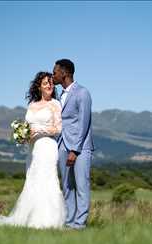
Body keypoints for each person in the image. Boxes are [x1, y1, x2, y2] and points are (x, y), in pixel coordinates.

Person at [0, 72, 66, 229]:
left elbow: (58, 128)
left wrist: (39, 130)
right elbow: (28, 127)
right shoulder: (32, 105)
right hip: (32, 149)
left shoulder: (55, 104)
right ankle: (28, 217)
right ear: (39, 86)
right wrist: (24, 136)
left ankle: (47, 220)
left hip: (47, 146)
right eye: (45, 83)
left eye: (50, 83)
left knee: (47, 180)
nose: (49, 85)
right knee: (32, 180)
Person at [52, 59, 94, 229]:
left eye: (55, 72)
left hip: (80, 147)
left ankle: (80, 224)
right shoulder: (59, 94)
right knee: (67, 187)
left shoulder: (82, 93)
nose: (52, 75)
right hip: (62, 145)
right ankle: (69, 222)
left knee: (82, 185)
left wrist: (75, 150)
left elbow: (84, 123)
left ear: (65, 73)